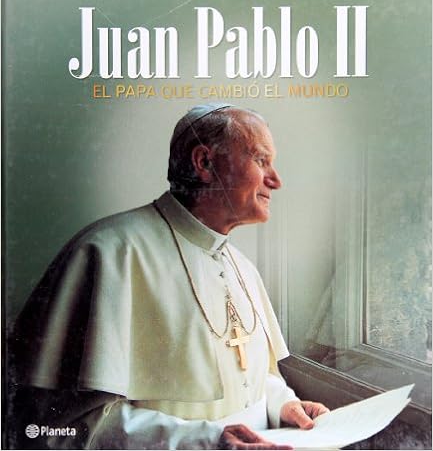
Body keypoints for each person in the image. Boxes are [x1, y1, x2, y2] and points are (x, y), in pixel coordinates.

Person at [9, 103, 328, 450]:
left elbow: (244, 376)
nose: (275, 180)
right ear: (204, 162)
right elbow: (62, 427)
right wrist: (205, 442)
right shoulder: (108, 254)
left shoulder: (242, 267)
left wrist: (282, 405)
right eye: (261, 160)